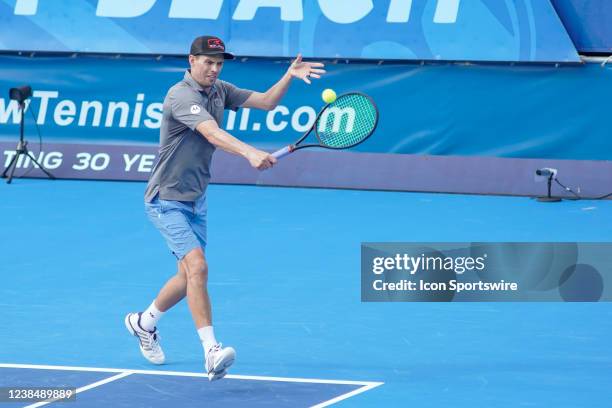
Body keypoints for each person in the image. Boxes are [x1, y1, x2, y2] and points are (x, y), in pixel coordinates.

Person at [125, 35, 325, 381]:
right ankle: (211, 351)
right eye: (208, 62)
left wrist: (288, 77)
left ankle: (144, 323)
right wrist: (249, 152)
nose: (214, 69)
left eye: (219, 63)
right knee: (199, 268)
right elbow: (211, 132)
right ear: (191, 61)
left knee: (187, 275)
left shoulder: (220, 90)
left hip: (195, 198)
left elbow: (265, 103)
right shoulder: (180, 95)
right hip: (166, 200)